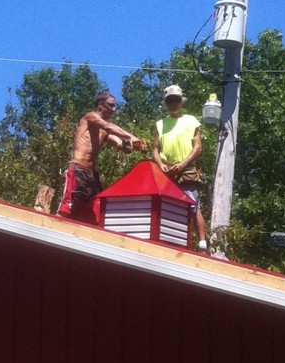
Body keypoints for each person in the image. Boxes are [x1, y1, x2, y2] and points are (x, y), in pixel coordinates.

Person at [58, 91, 146, 223]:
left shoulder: (104, 132)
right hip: (77, 170)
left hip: (91, 175)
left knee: (94, 213)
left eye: (115, 106)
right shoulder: (90, 117)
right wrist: (131, 137)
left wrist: (135, 146)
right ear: (101, 104)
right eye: (111, 105)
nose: (113, 109)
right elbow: (108, 126)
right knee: (67, 208)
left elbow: (120, 144)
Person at [152, 84, 207, 248]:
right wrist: (161, 164)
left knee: (192, 204)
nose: (173, 104)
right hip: (167, 172)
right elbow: (155, 149)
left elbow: (198, 148)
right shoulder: (160, 124)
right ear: (166, 103)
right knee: (168, 206)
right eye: (170, 101)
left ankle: (202, 242)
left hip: (186, 169)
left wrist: (182, 165)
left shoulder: (190, 121)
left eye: (176, 100)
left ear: (181, 102)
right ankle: (172, 239)